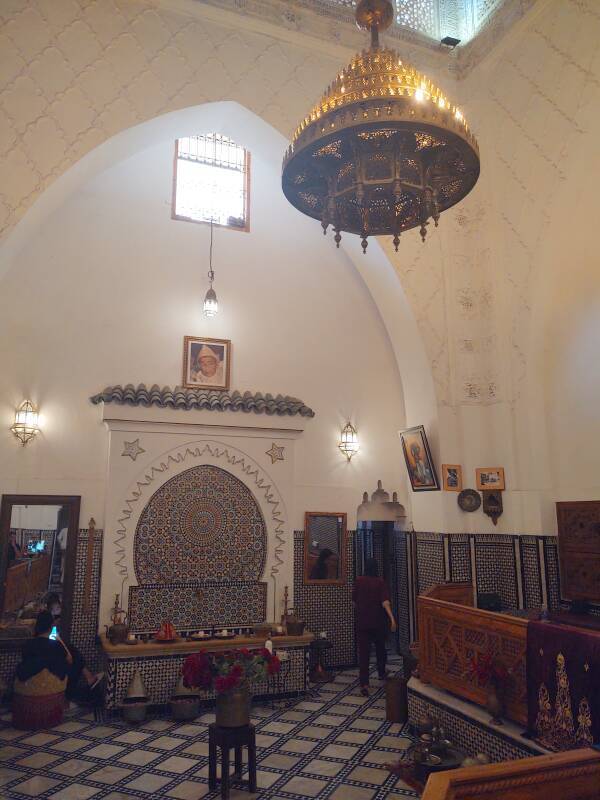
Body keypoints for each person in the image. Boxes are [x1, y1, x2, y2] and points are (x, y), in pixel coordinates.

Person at [352, 558, 397, 696]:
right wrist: (392, 619)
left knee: (364, 654)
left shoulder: (359, 581)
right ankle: (382, 673)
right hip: (378, 622)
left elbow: (353, 600)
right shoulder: (380, 582)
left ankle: (364, 684)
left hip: (362, 623)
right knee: (380, 649)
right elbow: (385, 602)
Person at [45, 594, 103, 699]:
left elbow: (56, 638)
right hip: (50, 654)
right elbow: (52, 639)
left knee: (73, 652)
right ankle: (87, 678)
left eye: (59, 608)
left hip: (57, 651)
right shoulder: (47, 622)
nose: (58, 611)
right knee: (73, 654)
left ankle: (87, 677)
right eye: (55, 609)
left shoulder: (54, 623)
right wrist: (66, 650)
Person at [17, 610, 70, 685]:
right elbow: (70, 660)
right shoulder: (56, 645)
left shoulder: (28, 644)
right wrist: (60, 640)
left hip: (29, 689)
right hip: (53, 688)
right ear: (51, 626)